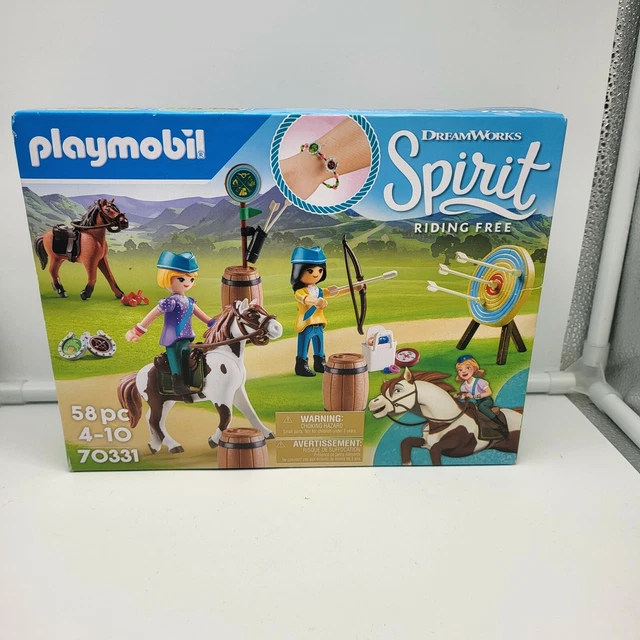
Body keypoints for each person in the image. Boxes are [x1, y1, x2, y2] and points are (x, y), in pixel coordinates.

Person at [125, 251, 216, 396]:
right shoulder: (169, 302)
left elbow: (204, 317)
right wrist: (137, 331)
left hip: (187, 338)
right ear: (166, 278)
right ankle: (177, 384)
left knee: (190, 360)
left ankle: (195, 382)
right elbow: (152, 315)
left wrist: (216, 324)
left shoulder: (190, 302)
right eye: (181, 279)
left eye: (191, 279)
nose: (187, 283)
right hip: (172, 338)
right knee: (175, 361)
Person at [290, 246, 351, 377]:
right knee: (304, 345)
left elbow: (336, 292)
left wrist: (354, 288)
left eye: (320, 270)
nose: (316, 274)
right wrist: (316, 301)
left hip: (319, 323)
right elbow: (305, 299)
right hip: (306, 323)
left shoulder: (319, 291)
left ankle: (320, 363)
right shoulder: (300, 291)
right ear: (298, 271)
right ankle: (301, 366)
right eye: (310, 271)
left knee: (319, 345)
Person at [454, 354, 508, 438]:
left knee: (482, 407)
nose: (463, 371)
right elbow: (465, 396)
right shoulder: (463, 386)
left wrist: (475, 396)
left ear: (474, 369)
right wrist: (460, 396)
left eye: (467, 368)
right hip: (475, 402)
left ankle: (500, 425)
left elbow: (489, 392)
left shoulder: (480, 382)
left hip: (485, 400)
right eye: (460, 370)